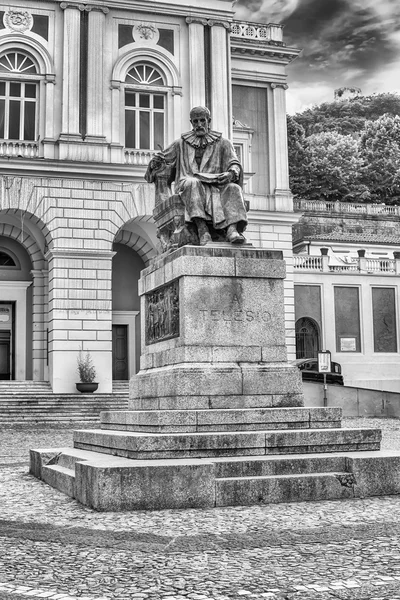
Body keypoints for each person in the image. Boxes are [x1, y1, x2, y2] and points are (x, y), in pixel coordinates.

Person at [145, 106, 247, 245]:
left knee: (234, 188)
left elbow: (234, 163)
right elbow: (162, 159)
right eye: (195, 121)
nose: (199, 125)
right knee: (193, 183)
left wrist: (231, 173)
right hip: (187, 182)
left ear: (208, 121)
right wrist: (154, 163)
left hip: (216, 184)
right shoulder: (180, 143)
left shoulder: (223, 143)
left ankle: (232, 229)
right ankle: (202, 229)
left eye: (202, 121)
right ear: (191, 122)